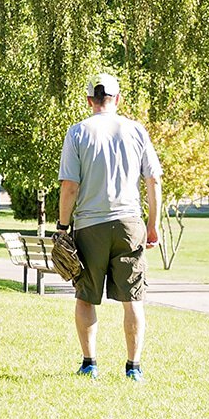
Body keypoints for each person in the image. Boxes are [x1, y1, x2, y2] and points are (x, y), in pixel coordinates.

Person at [57, 73, 162, 382]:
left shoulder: (77, 132)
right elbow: (153, 179)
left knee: (86, 296)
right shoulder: (136, 130)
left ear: (89, 100)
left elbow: (69, 187)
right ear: (118, 99)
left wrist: (63, 228)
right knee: (134, 298)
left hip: (90, 225)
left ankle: (89, 364)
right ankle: (134, 367)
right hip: (130, 223)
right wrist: (152, 225)